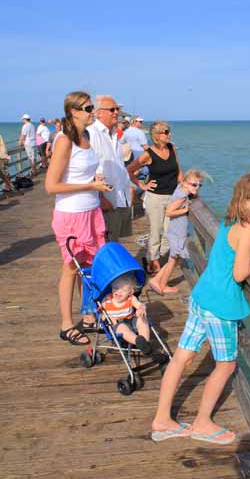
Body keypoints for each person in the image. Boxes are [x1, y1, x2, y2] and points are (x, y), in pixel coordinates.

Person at [151, 173, 250, 444]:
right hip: (220, 307)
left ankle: (162, 418)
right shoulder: (249, 228)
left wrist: (247, 257)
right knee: (226, 365)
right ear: (247, 201)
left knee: (181, 357)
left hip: (201, 298)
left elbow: (228, 254)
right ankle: (202, 423)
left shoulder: (231, 220)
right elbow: (240, 274)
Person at [45, 91, 112, 345]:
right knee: (71, 268)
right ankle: (66, 324)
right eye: (87, 107)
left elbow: (82, 174)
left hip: (92, 211)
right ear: (73, 111)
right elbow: (51, 186)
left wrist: (96, 186)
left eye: (92, 107)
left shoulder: (86, 136)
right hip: (71, 214)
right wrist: (89, 186)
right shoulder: (64, 141)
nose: (91, 111)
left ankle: (88, 316)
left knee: (92, 266)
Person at [127, 120, 182, 274]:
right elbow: (130, 170)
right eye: (166, 132)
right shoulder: (148, 154)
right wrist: (142, 185)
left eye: (169, 131)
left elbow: (178, 170)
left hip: (172, 197)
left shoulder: (172, 148)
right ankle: (154, 262)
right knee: (156, 231)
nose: (169, 134)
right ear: (157, 135)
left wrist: (184, 190)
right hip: (155, 199)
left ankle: (152, 256)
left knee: (169, 232)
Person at [148, 168, 203, 295]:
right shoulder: (182, 197)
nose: (197, 187)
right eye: (194, 184)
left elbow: (188, 192)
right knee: (173, 259)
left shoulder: (180, 189)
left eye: (199, 185)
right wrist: (185, 210)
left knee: (175, 259)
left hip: (175, 231)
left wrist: (192, 193)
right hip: (177, 233)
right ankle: (162, 285)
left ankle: (157, 280)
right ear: (185, 183)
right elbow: (169, 212)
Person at [87, 95, 132, 242]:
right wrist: (100, 198)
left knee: (115, 241)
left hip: (120, 197)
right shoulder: (92, 134)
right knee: (105, 244)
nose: (116, 112)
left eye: (117, 109)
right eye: (112, 109)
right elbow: (89, 169)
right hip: (106, 200)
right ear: (98, 112)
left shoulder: (113, 134)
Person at [101, 274, 153, 355]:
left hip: (131, 322)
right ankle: (138, 341)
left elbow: (140, 304)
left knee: (142, 319)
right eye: (115, 288)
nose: (118, 292)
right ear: (111, 287)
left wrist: (141, 308)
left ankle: (145, 343)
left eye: (123, 290)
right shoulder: (107, 300)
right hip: (117, 326)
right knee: (122, 327)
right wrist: (106, 317)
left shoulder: (131, 299)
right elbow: (102, 314)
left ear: (130, 292)